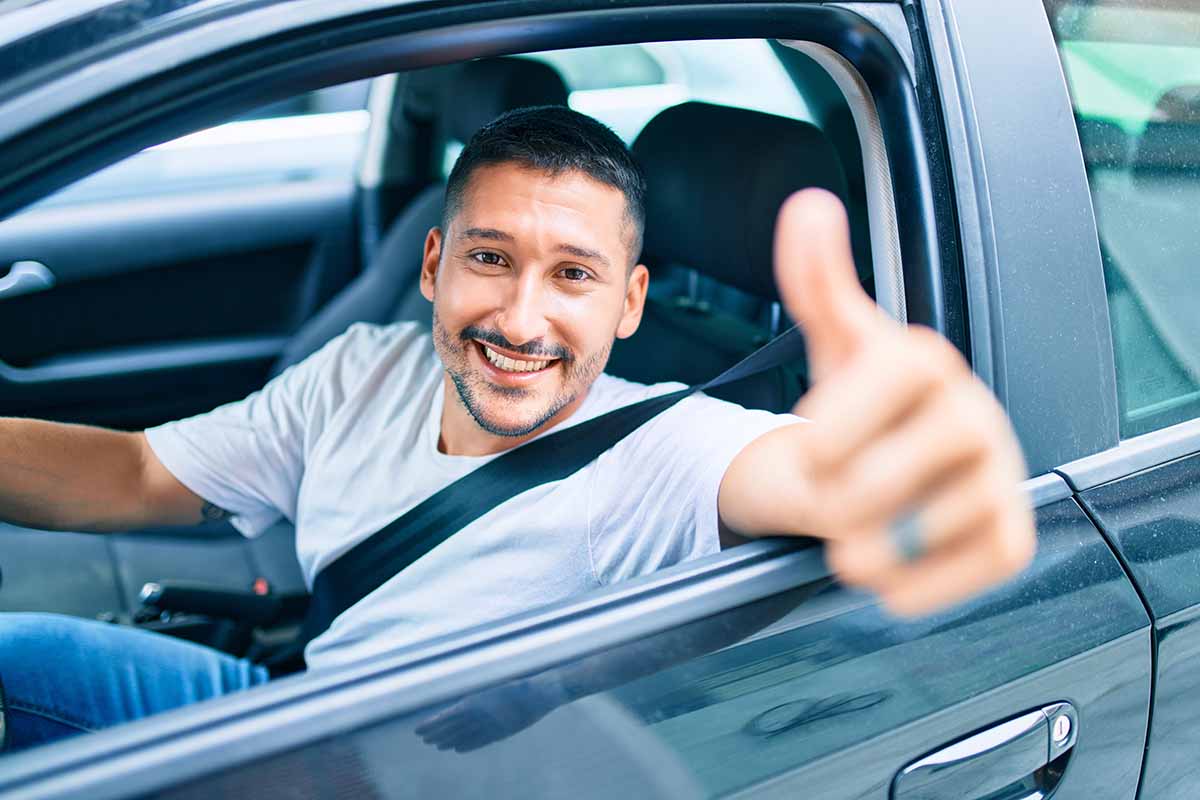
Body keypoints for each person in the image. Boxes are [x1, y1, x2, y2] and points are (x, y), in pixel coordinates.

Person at [0, 106, 1034, 752]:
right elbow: (136, 471)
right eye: (491, 259)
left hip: (387, 776)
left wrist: (910, 481)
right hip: (294, 709)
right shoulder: (363, 369)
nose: (521, 319)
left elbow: (813, 477)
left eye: (573, 275)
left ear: (629, 305)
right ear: (434, 264)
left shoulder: (658, 451)